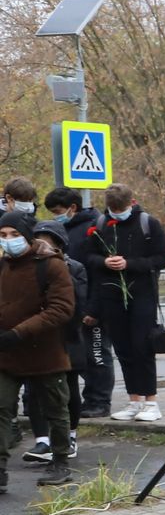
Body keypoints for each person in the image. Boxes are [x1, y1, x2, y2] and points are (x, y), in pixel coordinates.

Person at [0, 210, 75, 490]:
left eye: (15, 235)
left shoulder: (51, 265)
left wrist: (18, 333)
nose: (9, 241)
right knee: (2, 407)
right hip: (7, 354)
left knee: (55, 409)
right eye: (3, 235)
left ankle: (60, 461)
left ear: (28, 236)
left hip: (45, 352)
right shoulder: (2, 266)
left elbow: (61, 309)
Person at [82, 184, 165, 423]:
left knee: (143, 347)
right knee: (123, 348)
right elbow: (89, 257)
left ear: (132, 202)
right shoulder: (99, 225)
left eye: (120, 209)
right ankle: (134, 401)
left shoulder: (147, 223)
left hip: (142, 295)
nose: (116, 213)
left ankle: (151, 401)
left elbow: (163, 257)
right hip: (111, 296)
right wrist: (105, 262)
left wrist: (129, 264)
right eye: (112, 209)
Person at [21, 222, 87, 474]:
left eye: (47, 240)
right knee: (34, 391)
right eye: (37, 240)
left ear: (59, 243)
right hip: (35, 338)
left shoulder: (74, 268)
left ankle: (69, 437)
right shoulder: (24, 267)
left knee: (66, 389)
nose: (42, 245)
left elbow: (75, 303)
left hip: (66, 338)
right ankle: (42, 440)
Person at [44, 188, 111, 417]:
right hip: (71, 308)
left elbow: (100, 272)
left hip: (92, 305)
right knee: (79, 357)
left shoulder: (93, 228)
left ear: (72, 208)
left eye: (58, 211)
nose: (55, 216)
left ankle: (99, 401)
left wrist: (93, 307)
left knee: (97, 354)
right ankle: (88, 400)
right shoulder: (63, 229)